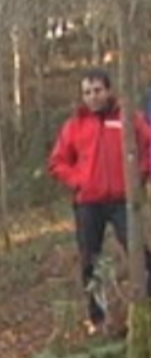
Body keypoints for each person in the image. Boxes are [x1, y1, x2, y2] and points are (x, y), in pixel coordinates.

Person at [48, 66, 151, 331]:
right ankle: (99, 318)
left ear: (108, 90)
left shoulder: (128, 118)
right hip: (88, 203)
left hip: (122, 200)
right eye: (87, 92)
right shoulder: (74, 126)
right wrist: (79, 180)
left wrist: (138, 176)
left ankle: (144, 309)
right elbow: (57, 162)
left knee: (139, 251)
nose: (92, 97)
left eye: (97, 91)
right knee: (89, 260)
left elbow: (148, 147)